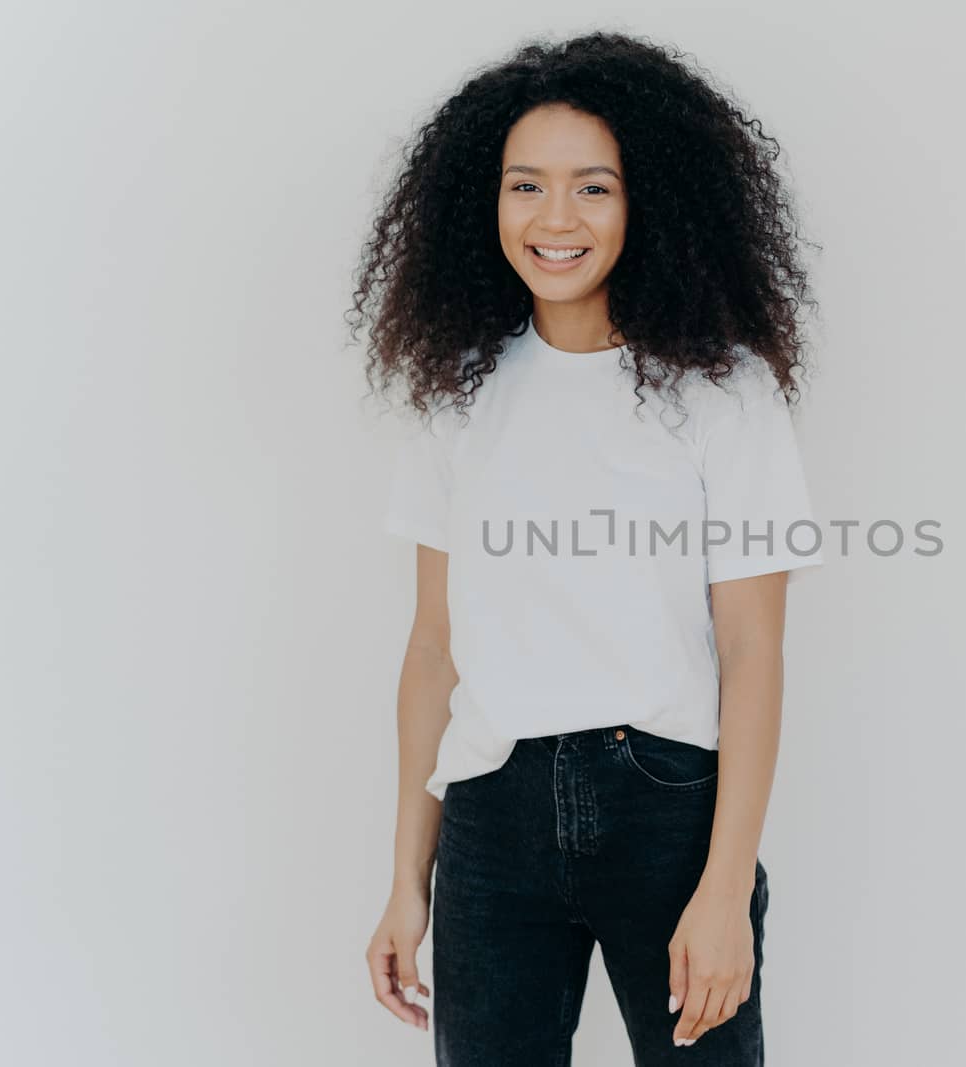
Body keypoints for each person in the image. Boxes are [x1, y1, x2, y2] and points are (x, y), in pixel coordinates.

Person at [349, 30, 825, 1066]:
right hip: (488, 813)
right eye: (525, 185)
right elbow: (432, 647)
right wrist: (405, 878)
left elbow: (753, 651)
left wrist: (723, 888)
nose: (553, 219)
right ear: (485, 198)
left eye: (592, 188)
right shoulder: (458, 392)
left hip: (666, 808)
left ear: (647, 198)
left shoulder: (721, 392)